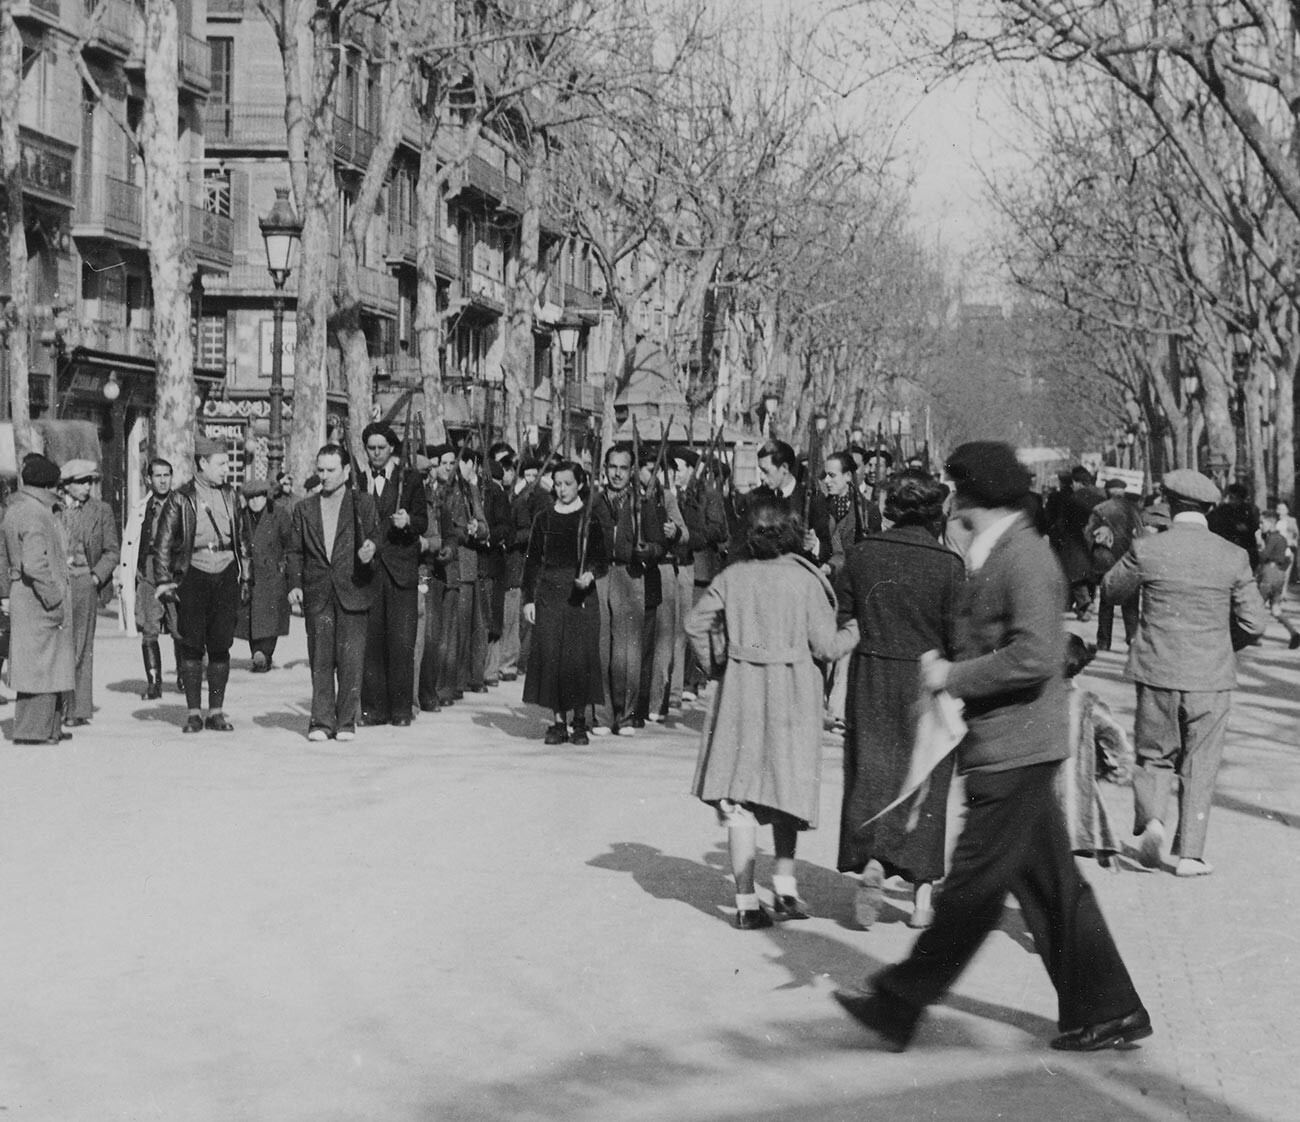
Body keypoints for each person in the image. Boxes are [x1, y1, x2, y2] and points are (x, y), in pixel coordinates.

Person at [835, 441, 1150, 1053]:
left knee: (973, 891)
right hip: (1011, 743)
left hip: (1017, 748)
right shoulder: (1000, 551)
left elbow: (1037, 654)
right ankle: (1111, 1009)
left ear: (973, 498)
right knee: (1053, 889)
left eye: (957, 492)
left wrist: (952, 676)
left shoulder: (1024, 558)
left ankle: (897, 1005)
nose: (951, 503)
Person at [687, 497, 858, 929]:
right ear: (794, 534)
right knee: (787, 788)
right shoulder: (807, 580)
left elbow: (695, 624)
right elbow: (825, 646)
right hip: (792, 690)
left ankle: (745, 902)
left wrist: (717, 663)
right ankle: (784, 888)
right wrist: (855, 630)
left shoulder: (733, 576)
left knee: (739, 795)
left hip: (741, 690)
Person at [1104, 469, 1269, 877]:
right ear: (1209, 508)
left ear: (1169, 503)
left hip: (1157, 667)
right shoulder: (1233, 556)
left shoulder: (1147, 549)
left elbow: (1110, 590)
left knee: (1154, 754)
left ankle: (1153, 819)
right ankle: (1191, 855)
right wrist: (1221, 642)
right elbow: (1255, 624)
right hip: (1210, 675)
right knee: (1201, 761)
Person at [834, 471, 964, 930]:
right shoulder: (948, 564)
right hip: (926, 678)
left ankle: (873, 861)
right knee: (927, 780)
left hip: (870, 673)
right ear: (935, 511)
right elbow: (958, 636)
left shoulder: (862, 553)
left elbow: (845, 617)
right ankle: (922, 897)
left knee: (872, 774)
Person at [154, 437, 252, 733]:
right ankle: (194, 712)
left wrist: (246, 577)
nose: (227, 469)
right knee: (192, 645)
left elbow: (244, 541)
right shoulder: (181, 497)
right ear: (202, 464)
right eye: (221, 464)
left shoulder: (232, 496)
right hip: (193, 574)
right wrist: (163, 582)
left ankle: (217, 712)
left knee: (221, 645)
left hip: (225, 574)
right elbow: (163, 543)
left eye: (227, 463)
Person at [287, 444, 380, 741]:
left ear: (346, 471)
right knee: (320, 659)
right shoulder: (304, 508)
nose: (324, 476)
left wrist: (370, 553)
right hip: (318, 591)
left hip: (353, 587)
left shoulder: (362, 504)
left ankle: (346, 721)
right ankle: (321, 721)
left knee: (351, 659)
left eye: (331, 470)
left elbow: (377, 540)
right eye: (320, 470)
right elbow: (294, 552)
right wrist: (295, 584)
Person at [522, 461, 608, 744]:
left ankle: (579, 721)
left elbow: (601, 560)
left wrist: (590, 575)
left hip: (579, 596)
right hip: (549, 595)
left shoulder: (589, 519)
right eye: (557, 484)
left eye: (568, 484)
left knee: (578, 657)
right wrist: (528, 599)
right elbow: (532, 562)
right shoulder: (544, 519)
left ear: (580, 484)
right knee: (553, 658)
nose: (562, 489)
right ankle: (558, 722)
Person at [355, 422, 428, 726]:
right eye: (370, 449)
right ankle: (375, 708)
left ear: (392, 449)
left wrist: (408, 521)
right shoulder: (357, 480)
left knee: (400, 642)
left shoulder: (409, 480)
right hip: (371, 573)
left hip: (401, 571)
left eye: (381, 448)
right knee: (372, 642)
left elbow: (423, 521)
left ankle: (400, 709)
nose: (375, 454)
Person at [591, 443, 667, 734]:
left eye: (623, 468)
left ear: (632, 470)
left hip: (630, 575)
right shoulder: (595, 502)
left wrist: (648, 550)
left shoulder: (643, 503)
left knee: (627, 651)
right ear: (604, 469)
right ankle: (602, 714)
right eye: (613, 467)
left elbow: (659, 544)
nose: (617, 474)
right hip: (600, 574)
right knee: (601, 648)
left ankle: (624, 715)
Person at [0, 455, 75, 744]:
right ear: (47, 486)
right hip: (38, 598)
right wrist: (54, 596)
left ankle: (48, 727)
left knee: (44, 662)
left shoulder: (17, 509)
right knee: (41, 665)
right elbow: (34, 563)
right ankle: (33, 731)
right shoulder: (35, 514)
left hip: (26, 595)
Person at [1058, 635, 1133, 865]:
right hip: (1076, 799)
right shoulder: (1086, 702)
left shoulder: (1032, 700)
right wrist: (1118, 766)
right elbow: (1113, 735)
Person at [57, 458, 120, 726]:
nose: (87, 487)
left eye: (90, 481)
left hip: (84, 582)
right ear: (67, 485)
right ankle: (55, 707)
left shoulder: (101, 510)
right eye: (82, 482)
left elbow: (111, 550)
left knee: (82, 646)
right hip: (58, 583)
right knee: (59, 645)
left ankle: (77, 709)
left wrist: (96, 577)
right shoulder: (54, 509)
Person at [118, 457, 177, 699]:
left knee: (180, 626)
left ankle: (185, 676)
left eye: (166, 475)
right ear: (148, 479)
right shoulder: (141, 508)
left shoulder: (182, 504)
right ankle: (154, 682)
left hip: (175, 570)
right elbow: (130, 543)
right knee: (149, 628)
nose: (162, 480)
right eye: (158, 476)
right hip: (149, 568)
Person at [235, 478, 292, 672]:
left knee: (270, 618)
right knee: (252, 616)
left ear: (265, 497)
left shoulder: (279, 514)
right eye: (250, 498)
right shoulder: (243, 516)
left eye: (259, 497)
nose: (255, 502)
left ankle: (265, 654)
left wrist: (284, 566)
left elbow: (289, 542)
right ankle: (257, 653)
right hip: (251, 573)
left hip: (272, 574)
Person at [1085, 478, 1147, 650]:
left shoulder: (1099, 509)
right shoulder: (1134, 510)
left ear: (1107, 491)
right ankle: (1132, 638)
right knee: (1131, 602)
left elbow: (1088, 534)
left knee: (1106, 602)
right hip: (1129, 559)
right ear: (1123, 492)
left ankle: (1104, 642)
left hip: (1106, 559)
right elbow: (1142, 534)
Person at [1257, 508, 1300, 647]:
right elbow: (1287, 559)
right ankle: (1293, 633)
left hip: (1269, 574)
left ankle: (1254, 635)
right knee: (1276, 610)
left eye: (1262, 523)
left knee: (1257, 606)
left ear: (1271, 522)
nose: (1260, 526)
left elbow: (1263, 556)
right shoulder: (1282, 538)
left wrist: (1259, 545)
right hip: (1279, 575)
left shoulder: (1272, 538)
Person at [1208, 482, 1261, 570]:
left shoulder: (1249, 510)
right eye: (1230, 497)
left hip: (1244, 546)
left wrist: (1245, 529)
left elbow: (1254, 526)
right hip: (1226, 547)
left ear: (1240, 498)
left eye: (1234, 498)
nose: (1231, 500)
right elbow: (1213, 522)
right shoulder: (1223, 509)